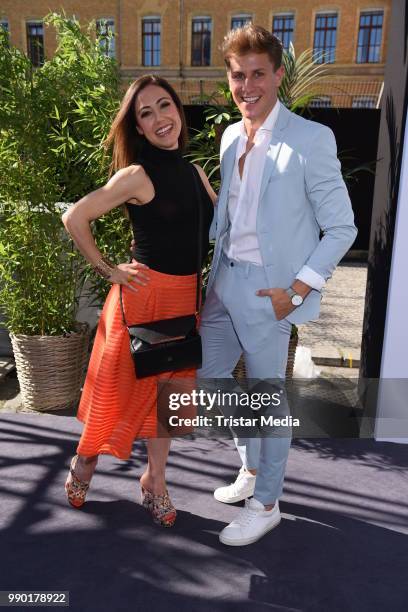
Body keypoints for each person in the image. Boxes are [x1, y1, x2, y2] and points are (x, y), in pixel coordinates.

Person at [198, 24, 357, 545]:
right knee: (211, 383)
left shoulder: (312, 139)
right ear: (229, 78)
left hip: (272, 295)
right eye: (238, 76)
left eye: (258, 74)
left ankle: (266, 503)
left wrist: (298, 289)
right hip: (223, 283)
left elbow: (342, 228)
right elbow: (238, 211)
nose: (247, 86)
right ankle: (250, 468)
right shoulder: (228, 136)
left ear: (278, 75)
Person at [62, 75, 215, 527]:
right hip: (142, 300)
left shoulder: (195, 172)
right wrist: (110, 270)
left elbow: (222, 224)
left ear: (178, 112)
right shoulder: (136, 175)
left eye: (163, 106)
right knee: (118, 390)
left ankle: (155, 480)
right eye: (145, 114)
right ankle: (85, 462)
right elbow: (75, 217)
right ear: (140, 129)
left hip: (185, 299)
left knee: (167, 398)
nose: (158, 119)